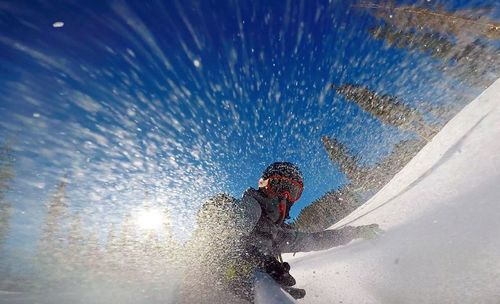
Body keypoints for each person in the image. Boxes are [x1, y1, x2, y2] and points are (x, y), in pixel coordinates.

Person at [178, 162, 381, 303]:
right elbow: (218, 234)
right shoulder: (250, 208)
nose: (283, 196)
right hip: (199, 291)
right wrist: (247, 258)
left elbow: (314, 240)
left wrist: (355, 231)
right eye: (278, 186)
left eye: (291, 191)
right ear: (264, 185)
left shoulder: (277, 234)